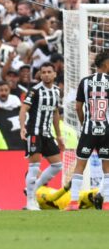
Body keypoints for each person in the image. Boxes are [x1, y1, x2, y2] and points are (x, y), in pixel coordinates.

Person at [67, 51, 109, 211]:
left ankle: (73, 203)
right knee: (107, 168)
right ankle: (106, 203)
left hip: (89, 130)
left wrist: (84, 123)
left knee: (80, 165)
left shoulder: (85, 82)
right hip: (106, 130)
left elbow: (78, 107)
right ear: (106, 64)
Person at [19, 62, 64, 211]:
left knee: (57, 165)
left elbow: (55, 113)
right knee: (34, 166)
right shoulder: (35, 91)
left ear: (54, 74)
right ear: (40, 74)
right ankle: (30, 201)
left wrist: (58, 135)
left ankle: (33, 189)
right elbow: (23, 109)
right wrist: (22, 128)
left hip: (47, 133)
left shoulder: (57, 92)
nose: (46, 74)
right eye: (43, 72)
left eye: (49, 72)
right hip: (34, 132)